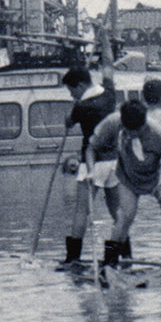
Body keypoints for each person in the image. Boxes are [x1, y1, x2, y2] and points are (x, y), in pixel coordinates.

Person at [88, 99, 161, 268]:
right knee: (124, 217)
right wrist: (91, 170)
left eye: (138, 130)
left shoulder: (159, 133)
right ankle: (109, 263)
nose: (133, 134)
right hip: (128, 178)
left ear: (144, 122)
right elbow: (91, 147)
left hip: (158, 177)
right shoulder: (113, 122)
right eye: (129, 130)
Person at [58, 64, 116, 269]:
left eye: (71, 90)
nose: (71, 94)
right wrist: (103, 37)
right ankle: (122, 257)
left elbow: (68, 122)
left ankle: (72, 258)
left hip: (92, 161)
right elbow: (108, 69)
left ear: (81, 85)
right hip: (115, 162)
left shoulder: (82, 106)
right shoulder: (110, 94)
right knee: (117, 211)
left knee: (81, 211)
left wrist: (72, 107)